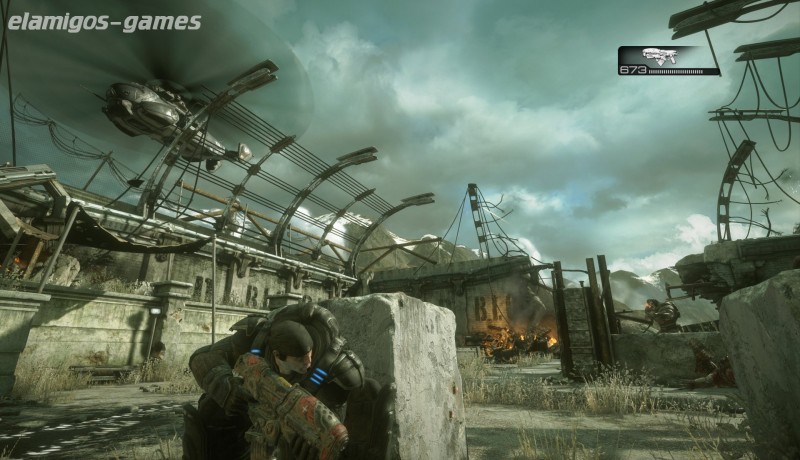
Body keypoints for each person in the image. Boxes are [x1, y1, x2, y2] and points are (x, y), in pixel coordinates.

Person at [182, 301, 394, 460]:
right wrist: (226, 387)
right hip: (247, 422)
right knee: (211, 407)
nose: (307, 364)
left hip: (296, 430)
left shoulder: (332, 367)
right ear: (276, 354)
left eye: (309, 356)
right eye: (299, 359)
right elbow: (202, 358)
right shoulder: (256, 339)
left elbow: (332, 423)